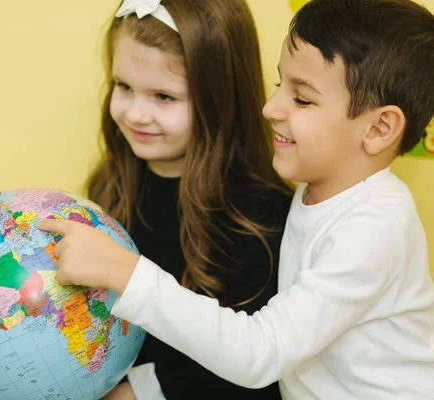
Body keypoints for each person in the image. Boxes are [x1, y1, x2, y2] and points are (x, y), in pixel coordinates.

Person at [39, 0, 434, 398]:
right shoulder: (319, 189)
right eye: (281, 85)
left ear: (380, 127)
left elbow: (261, 352)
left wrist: (125, 273)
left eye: (302, 99)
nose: (269, 107)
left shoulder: (374, 228)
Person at [53, 0, 293, 398]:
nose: (135, 114)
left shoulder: (258, 217)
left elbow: (248, 365)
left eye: (164, 96)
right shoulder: (109, 189)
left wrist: (136, 392)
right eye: (123, 87)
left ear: (221, 97)